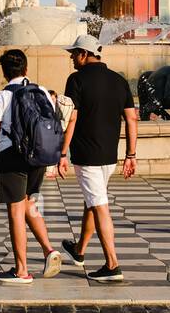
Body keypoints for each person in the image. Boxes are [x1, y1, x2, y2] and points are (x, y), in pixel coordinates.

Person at [0, 49, 63, 285]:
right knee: (30, 204)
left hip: (12, 157)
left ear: (4, 72)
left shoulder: (3, 96)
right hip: (38, 156)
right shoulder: (41, 90)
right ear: (26, 69)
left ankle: (21, 270)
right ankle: (49, 250)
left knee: (16, 212)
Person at [59, 34, 138, 283]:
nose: (72, 58)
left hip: (86, 155)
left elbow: (71, 118)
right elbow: (131, 118)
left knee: (99, 206)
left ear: (84, 54)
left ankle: (112, 265)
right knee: (92, 201)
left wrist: (62, 153)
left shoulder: (76, 80)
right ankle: (80, 249)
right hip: (109, 156)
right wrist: (131, 154)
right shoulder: (119, 80)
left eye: (74, 54)